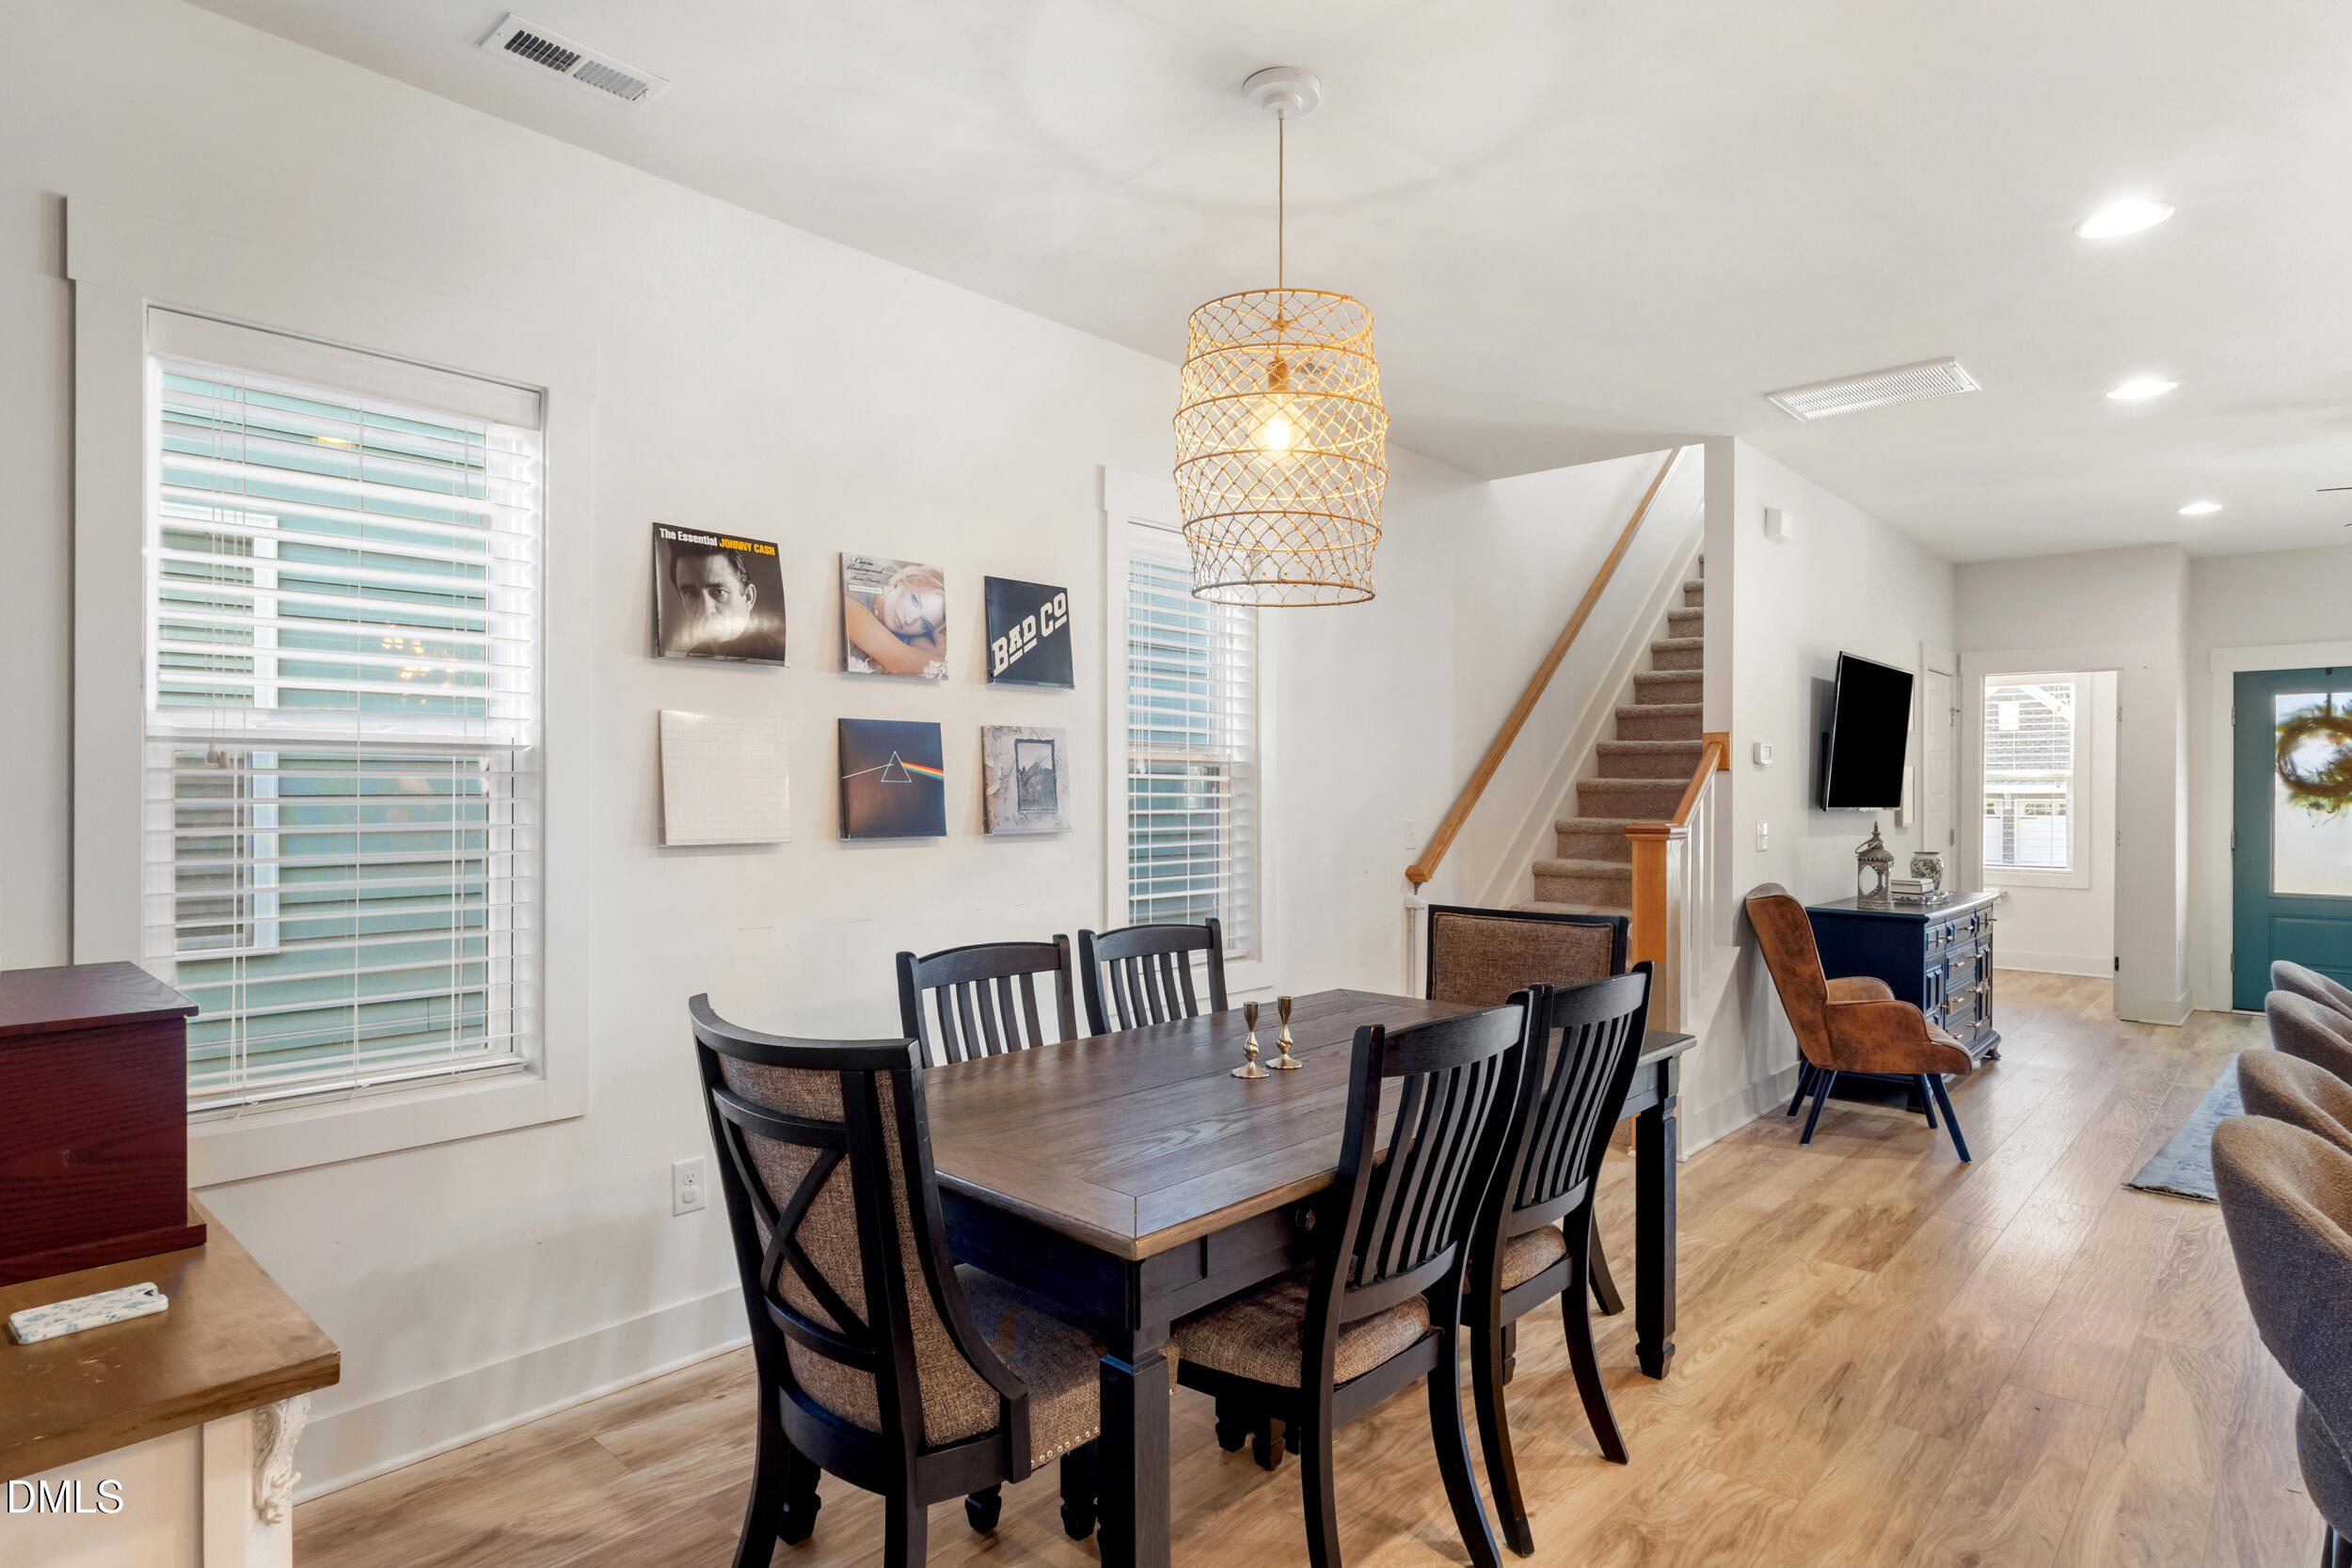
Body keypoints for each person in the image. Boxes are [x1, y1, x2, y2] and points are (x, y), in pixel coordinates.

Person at [663, 543, 786, 660]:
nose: (706, 610)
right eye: (690, 594)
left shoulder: (774, 655)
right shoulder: (694, 655)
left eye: (719, 592)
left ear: (748, 597)